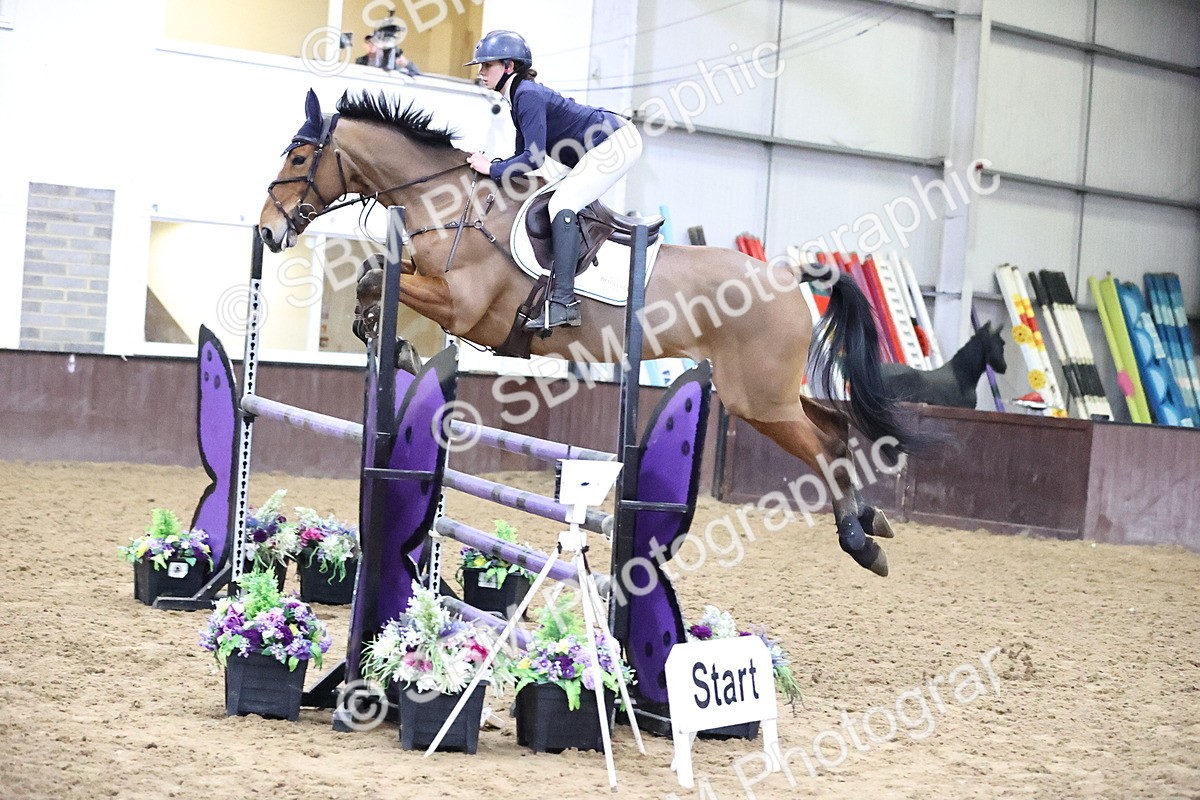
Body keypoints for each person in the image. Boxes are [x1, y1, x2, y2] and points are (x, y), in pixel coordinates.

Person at [465, 30, 643, 331]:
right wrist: (494, 167)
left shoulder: (527, 95)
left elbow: (533, 159)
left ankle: (564, 303)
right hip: (600, 147)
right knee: (552, 199)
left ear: (509, 66)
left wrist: (490, 169)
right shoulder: (518, 97)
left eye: (488, 65)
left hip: (616, 142)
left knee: (562, 203)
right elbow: (522, 156)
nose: (481, 72)